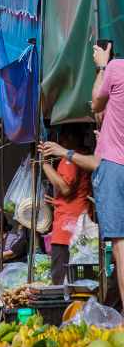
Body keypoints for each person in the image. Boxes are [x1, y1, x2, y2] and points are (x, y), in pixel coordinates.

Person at [40, 42, 124, 304]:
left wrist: (101, 65)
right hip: (74, 228)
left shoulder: (115, 69)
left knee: (120, 247)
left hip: (68, 230)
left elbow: (97, 102)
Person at [41, 129, 92, 285]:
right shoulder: (83, 156)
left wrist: (44, 165)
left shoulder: (70, 159)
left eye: (62, 136)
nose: (60, 140)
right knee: (81, 281)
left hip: (67, 230)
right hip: (78, 226)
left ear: (70, 136)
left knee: (61, 281)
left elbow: (65, 188)